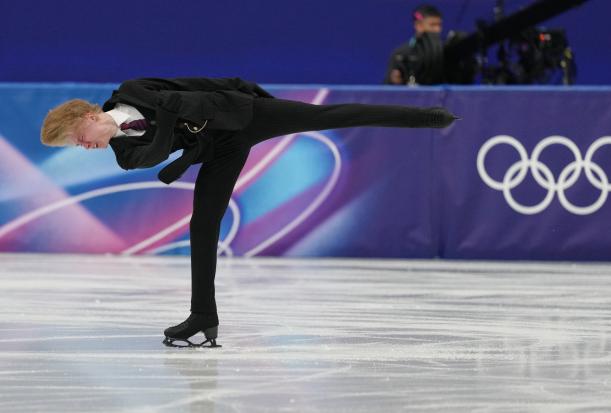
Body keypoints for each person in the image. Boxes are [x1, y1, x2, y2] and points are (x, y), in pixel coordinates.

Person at [40, 76, 459, 348]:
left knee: (326, 116)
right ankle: (203, 315)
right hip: (221, 148)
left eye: (80, 136)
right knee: (202, 225)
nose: (85, 146)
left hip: (242, 113)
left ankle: (425, 117)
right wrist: (169, 112)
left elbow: (191, 87)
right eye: (76, 147)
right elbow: (157, 145)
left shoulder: (132, 90)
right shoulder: (125, 155)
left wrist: (246, 91)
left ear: (90, 115)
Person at [385, 4, 445, 85]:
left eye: (439, 25)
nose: (437, 29)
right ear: (418, 25)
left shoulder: (445, 52)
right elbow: (390, 87)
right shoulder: (401, 53)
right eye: (432, 25)